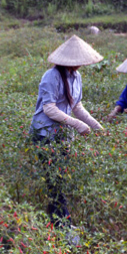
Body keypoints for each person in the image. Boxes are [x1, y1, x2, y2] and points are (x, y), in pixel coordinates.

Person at [30, 35, 104, 229]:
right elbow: (50, 109)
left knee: (60, 180)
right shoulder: (51, 76)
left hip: (63, 136)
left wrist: (97, 127)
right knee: (55, 182)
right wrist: (77, 125)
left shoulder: (76, 77)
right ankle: (64, 226)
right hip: (45, 134)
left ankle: (58, 224)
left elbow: (77, 106)